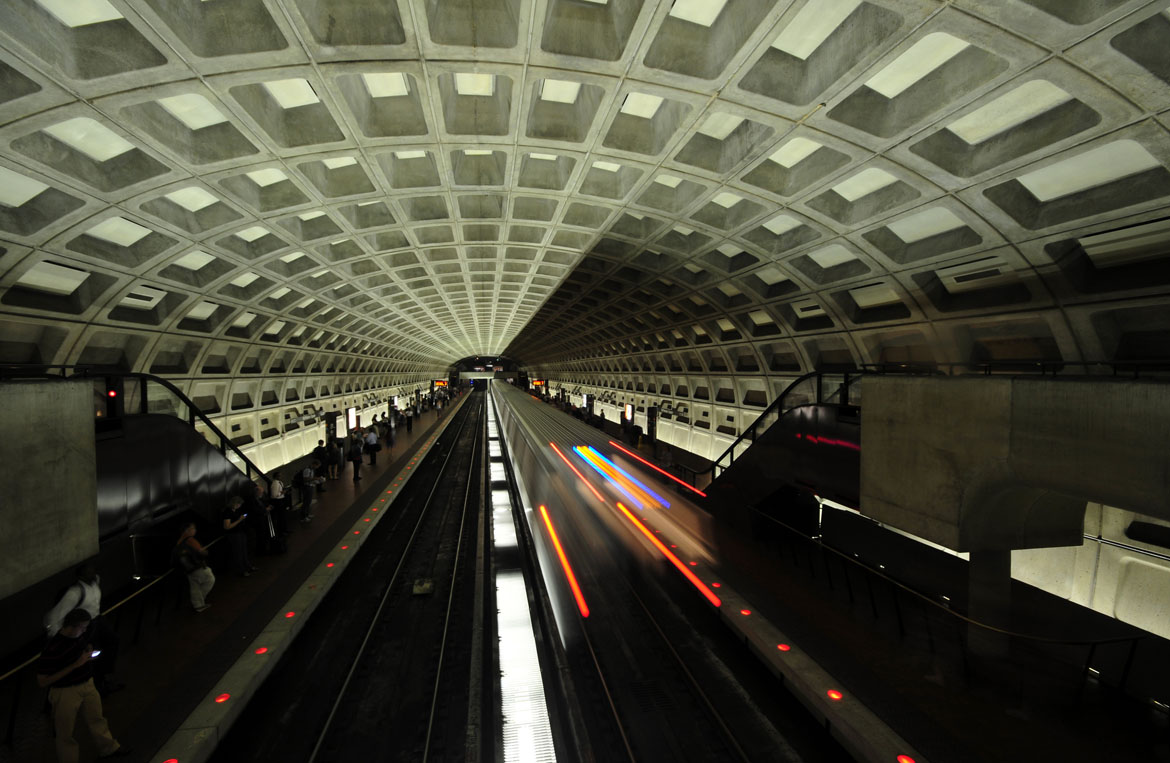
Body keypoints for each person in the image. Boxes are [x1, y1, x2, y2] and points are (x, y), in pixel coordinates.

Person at [37, 608, 131, 762]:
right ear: (72, 626)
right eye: (83, 627)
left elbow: (84, 645)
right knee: (65, 733)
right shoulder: (53, 648)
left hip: (87, 684)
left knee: (97, 719)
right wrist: (75, 665)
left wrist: (88, 652)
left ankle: (108, 748)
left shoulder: (79, 636)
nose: (85, 630)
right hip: (65, 692)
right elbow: (42, 681)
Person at [44, 563, 121, 696]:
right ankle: (97, 686)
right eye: (88, 573)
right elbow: (55, 616)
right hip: (86, 625)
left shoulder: (95, 581)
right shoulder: (75, 592)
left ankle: (104, 678)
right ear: (80, 576)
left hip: (98, 620)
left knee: (112, 642)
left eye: (92, 571)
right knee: (92, 655)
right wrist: (57, 637)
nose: (92, 574)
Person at [174, 523, 214, 612]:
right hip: (198, 566)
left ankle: (198, 605)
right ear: (186, 530)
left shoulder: (179, 542)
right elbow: (201, 552)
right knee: (210, 579)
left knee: (194, 587)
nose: (195, 530)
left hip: (188, 569)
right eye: (193, 528)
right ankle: (199, 601)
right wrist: (205, 551)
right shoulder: (191, 540)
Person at [221, 496, 254, 577]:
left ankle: (247, 566)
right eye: (238, 504)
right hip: (233, 534)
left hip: (240, 532)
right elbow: (227, 527)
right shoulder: (227, 512)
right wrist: (240, 520)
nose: (239, 506)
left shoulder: (236, 510)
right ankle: (241, 571)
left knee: (244, 551)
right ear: (234, 503)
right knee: (238, 553)